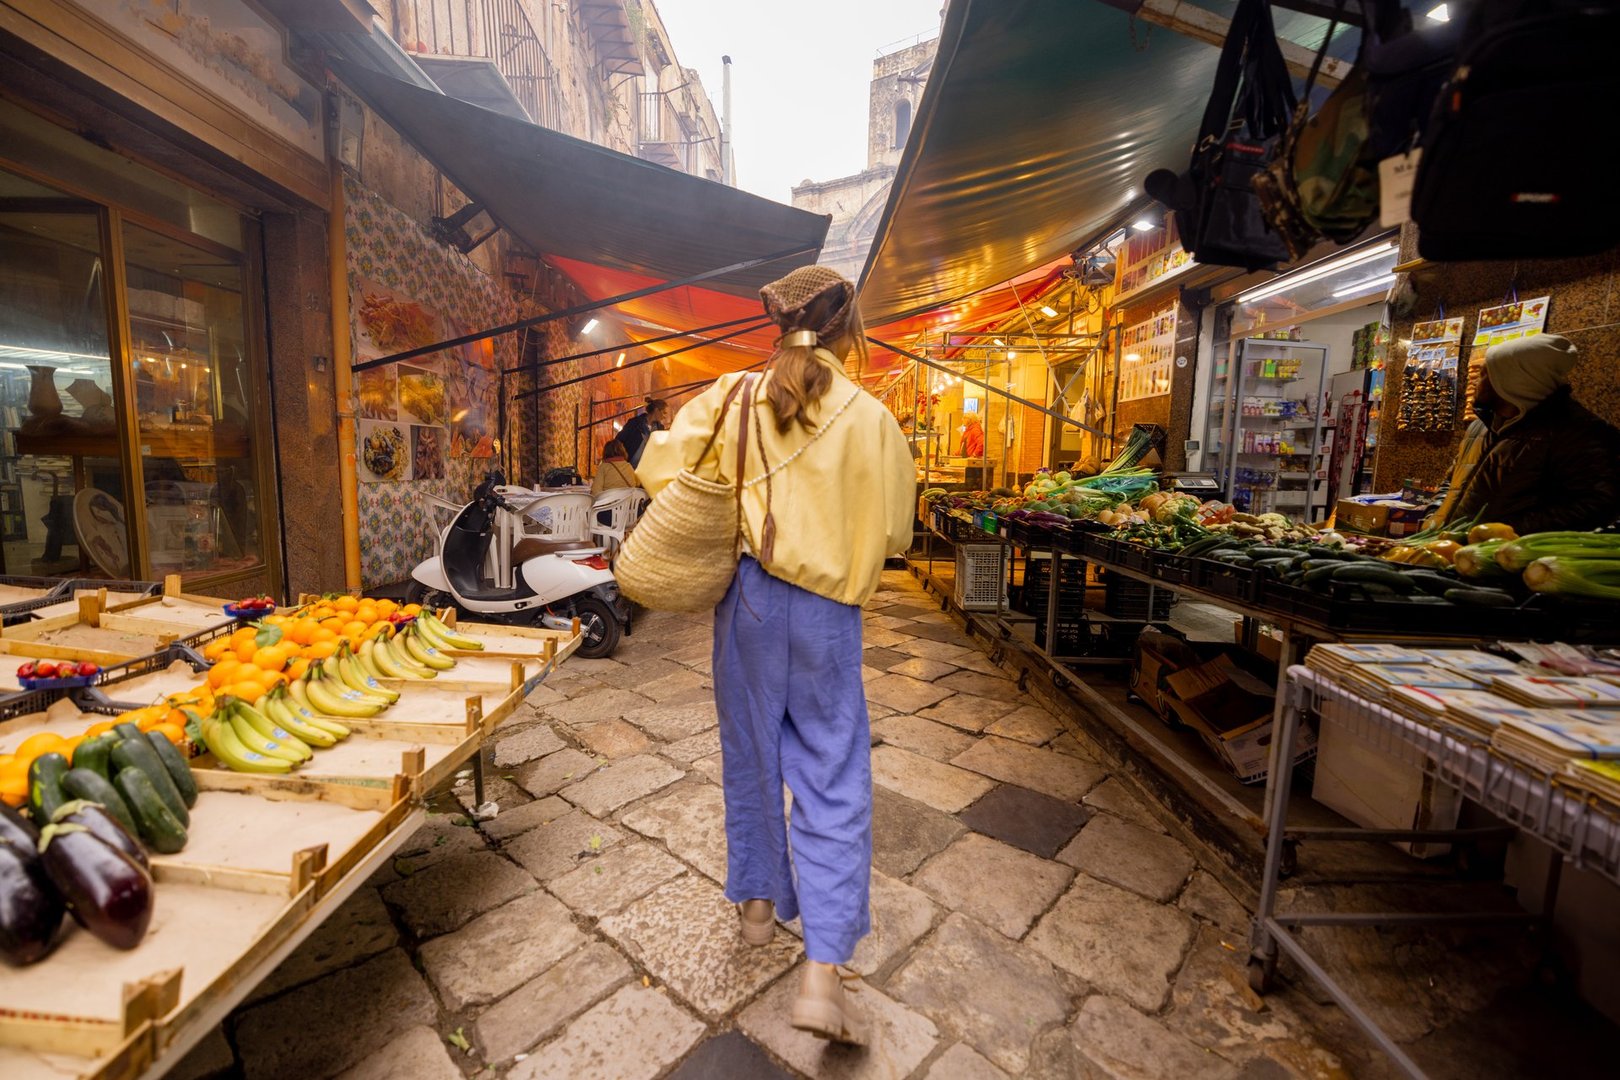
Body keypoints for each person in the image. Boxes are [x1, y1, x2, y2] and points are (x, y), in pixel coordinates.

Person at [638, 266, 914, 1046]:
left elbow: (661, 471)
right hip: (828, 614)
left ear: (776, 324)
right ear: (845, 327)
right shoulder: (871, 417)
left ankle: (758, 908)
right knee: (831, 770)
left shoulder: (731, 396)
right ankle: (822, 975)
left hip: (749, 604)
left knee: (752, 754)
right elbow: (896, 532)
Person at [1438, 334, 1620, 532]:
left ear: (1512, 381)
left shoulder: (1579, 433)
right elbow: (1451, 482)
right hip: (1452, 552)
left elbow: (1596, 506)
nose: (1475, 383)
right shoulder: (1479, 427)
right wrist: (1434, 514)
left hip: (1503, 558)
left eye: (1485, 375)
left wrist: (1504, 532)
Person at [618, 398, 669, 467]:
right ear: (656, 410)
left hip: (648, 469)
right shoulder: (635, 423)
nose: (665, 417)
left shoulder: (660, 429)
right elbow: (619, 440)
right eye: (664, 413)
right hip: (630, 467)